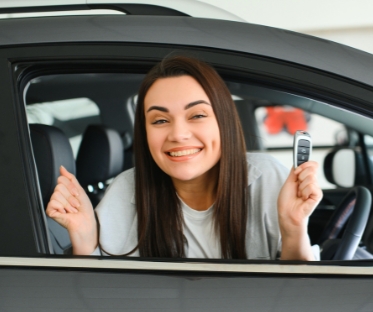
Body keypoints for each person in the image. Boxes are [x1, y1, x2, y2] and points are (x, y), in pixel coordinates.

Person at [46, 56, 322, 260]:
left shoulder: (267, 178)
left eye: (197, 115)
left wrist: (293, 227)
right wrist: (83, 237)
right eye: (160, 120)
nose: (178, 134)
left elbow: (299, 299)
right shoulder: (126, 191)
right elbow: (98, 303)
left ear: (223, 121)